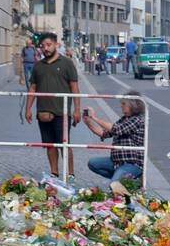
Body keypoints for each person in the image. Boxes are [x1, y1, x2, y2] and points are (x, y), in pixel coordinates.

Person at [24, 32, 81, 178]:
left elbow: (74, 86)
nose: (46, 49)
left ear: (56, 45)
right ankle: (54, 174)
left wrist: (77, 110)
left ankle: (70, 175)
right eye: (43, 46)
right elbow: (33, 88)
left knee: (64, 145)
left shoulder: (67, 63)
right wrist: (28, 108)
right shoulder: (38, 66)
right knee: (49, 145)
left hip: (62, 112)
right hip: (43, 112)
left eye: (49, 45)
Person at [83, 93, 146, 186]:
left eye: (124, 103)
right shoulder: (124, 119)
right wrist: (88, 122)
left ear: (133, 105)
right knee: (92, 163)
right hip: (116, 162)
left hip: (131, 163)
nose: (121, 105)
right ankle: (124, 180)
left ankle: (124, 181)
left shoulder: (137, 120)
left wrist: (94, 117)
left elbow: (116, 129)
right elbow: (103, 133)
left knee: (114, 185)